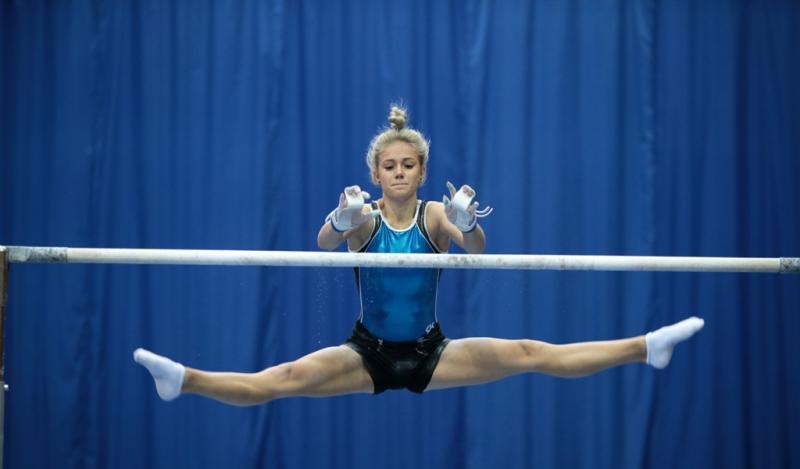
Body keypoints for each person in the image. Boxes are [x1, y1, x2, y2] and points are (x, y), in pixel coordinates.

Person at [133, 105, 704, 405]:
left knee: (531, 352)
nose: (400, 173)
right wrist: (341, 220)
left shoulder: (433, 215)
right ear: (376, 173)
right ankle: (185, 380)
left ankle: (646, 348)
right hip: (367, 353)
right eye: (390, 166)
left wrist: (465, 223)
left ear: (422, 172)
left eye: (409, 165)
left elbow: (477, 252)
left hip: (433, 352)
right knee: (280, 379)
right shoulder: (364, 215)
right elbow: (322, 244)